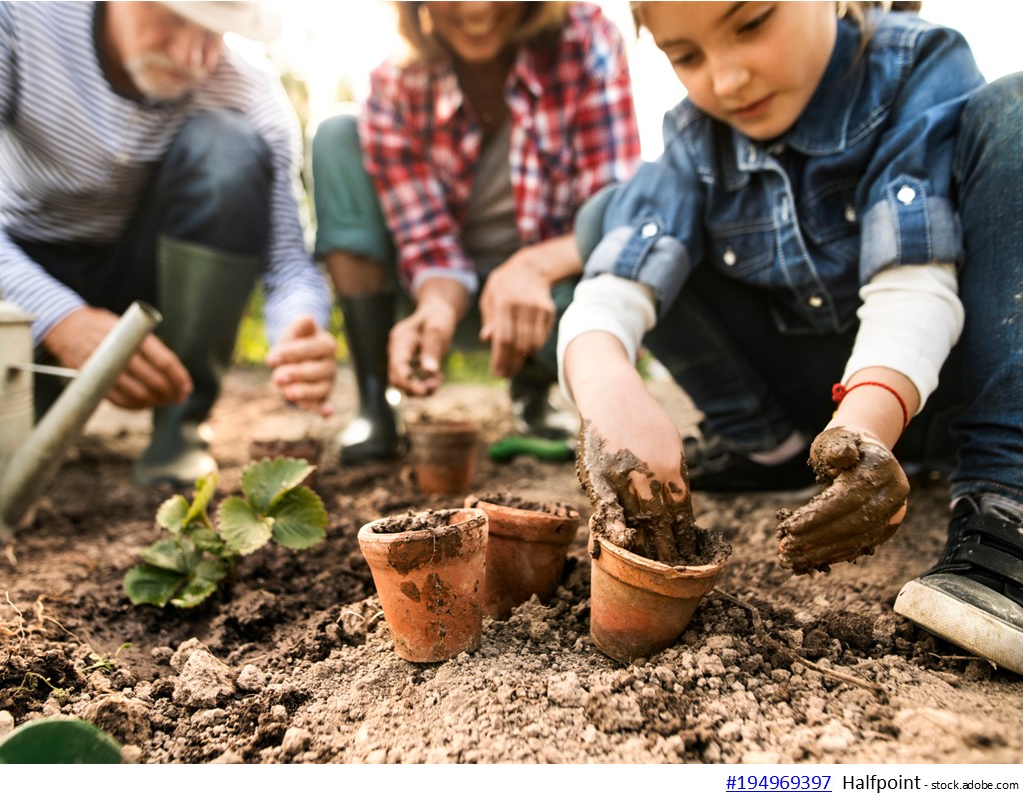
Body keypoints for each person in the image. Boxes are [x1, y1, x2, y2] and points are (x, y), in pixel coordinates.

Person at [559, 2, 1022, 673]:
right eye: (685, 55)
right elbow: (611, 288)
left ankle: (1004, 499)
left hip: (946, 387)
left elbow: (912, 285)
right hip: (820, 415)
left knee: (1015, 111)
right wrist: (609, 390)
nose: (726, 77)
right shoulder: (695, 137)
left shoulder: (913, 68)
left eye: (750, 23)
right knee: (611, 216)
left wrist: (864, 426)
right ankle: (769, 448)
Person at [0, 1, 337, 487]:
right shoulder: (4, 11)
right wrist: (59, 320)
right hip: (14, 269)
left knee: (229, 147)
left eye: (215, 33)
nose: (193, 56)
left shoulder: (248, 90)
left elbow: (288, 266)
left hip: (145, 282)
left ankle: (180, 426)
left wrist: (298, 327)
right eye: (173, 18)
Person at [310, 1, 641, 464]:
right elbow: (427, 242)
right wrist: (438, 305)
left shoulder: (586, 38)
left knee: (629, 260)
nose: (478, 6)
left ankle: (535, 388)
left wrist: (531, 268)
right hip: (444, 297)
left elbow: (613, 212)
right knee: (336, 134)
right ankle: (374, 397)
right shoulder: (394, 83)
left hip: (551, 296)